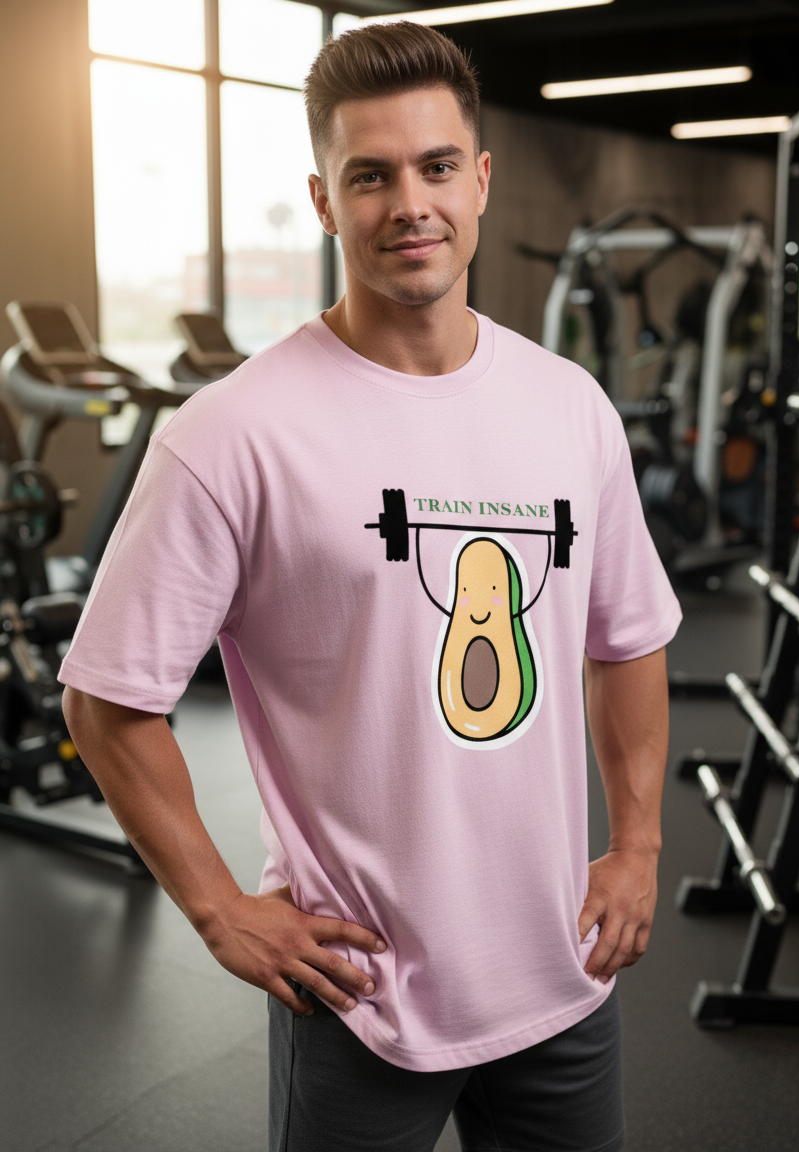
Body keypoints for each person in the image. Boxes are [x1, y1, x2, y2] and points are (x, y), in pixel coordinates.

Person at [61, 21, 681, 1152]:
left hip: (561, 971)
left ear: (480, 180)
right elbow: (107, 699)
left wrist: (636, 848)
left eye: (437, 166)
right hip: (360, 994)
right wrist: (217, 909)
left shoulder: (570, 408)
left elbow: (627, 636)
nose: (411, 202)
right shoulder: (233, 434)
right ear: (322, 198)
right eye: (371, 175)